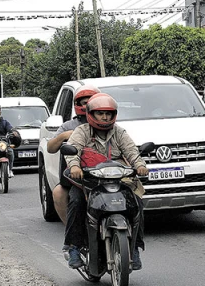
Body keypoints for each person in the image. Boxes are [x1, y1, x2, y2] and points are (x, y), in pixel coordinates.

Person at [64, 93, 149, 271]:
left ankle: (134, 248)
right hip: (89, 180)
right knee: (76, 201)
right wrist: (75, 167)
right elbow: (72, 151)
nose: (105, 117)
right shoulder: (82, 131)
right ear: (90, 114)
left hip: (118, 178)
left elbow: (131, 150)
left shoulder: (119, 132)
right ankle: (74, 247)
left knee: (137, 202)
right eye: (100, 113)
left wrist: (140, 165)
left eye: (108, 114)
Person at [46, 86, 99, 224]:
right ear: (78, 105)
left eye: (91, 102)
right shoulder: (68, 126)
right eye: (84, 102)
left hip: (104, 174)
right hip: (77, 176)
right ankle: (73, 234)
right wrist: (63, 136)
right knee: (60, 193)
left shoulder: (108, 124)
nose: (87, 105)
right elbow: (50, 148)